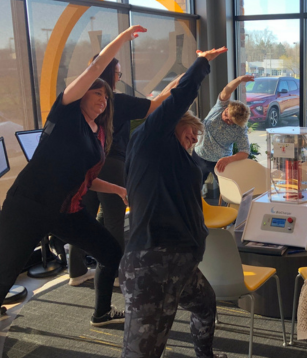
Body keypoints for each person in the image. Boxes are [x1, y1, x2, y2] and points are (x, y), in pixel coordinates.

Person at [0, 26, 147, 324]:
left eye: (106, 97)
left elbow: (85, 177)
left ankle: (102, 312)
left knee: (110, 251)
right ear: (80, 95)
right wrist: (121, 37)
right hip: (28, 205)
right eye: (96, 93)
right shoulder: (65, 111)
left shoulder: (96, 134)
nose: (103, 99)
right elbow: (96, 67)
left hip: (66, 211)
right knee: (5, 269)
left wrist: (117, 189)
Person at [121, 47, 228, 358]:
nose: (195, 138)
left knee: (206, 305)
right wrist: (201, 64)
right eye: (192, 131)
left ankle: (205, 355)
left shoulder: (174, 159)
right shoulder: (151, 137)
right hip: (152, 265)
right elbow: (176, 99)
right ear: (172, 123)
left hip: (181, 265)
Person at [68, 55, 180, 287]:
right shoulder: (115, 100)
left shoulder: (80, 98)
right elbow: (156, 104)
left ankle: (76, 271)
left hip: (85, 163)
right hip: (110, 164)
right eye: (118, 73)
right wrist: (183, 81)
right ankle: (118, 273)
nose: (119, 78)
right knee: (114, 221)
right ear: (110, 73)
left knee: (82, 218)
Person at [194, 75, 253, 184]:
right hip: (199, 155)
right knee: (193, 188)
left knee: (227, 191)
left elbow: (244, 152)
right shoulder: (221, 105)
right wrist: (239, 80)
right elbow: (227, 90)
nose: (225, 118)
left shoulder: (240, 129)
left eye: (230, 121)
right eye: (226, 113)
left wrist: (228, 160)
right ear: (226, 108)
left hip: (220, 162)